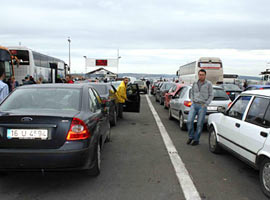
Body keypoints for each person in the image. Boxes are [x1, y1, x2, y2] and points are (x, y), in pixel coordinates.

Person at [186, 69, 213, 146]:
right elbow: (192, 92)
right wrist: (192, 100)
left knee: (199, 124)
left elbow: (211, 95)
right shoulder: (195, 83)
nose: (201, 76)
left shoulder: (208, 84)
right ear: (198, 75)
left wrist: (206, 104)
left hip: (202, 106)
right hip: (194, 105)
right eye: (200, 74)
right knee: (189, 121)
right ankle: (191, 136)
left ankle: (196, 139)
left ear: (205, 75)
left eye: (202, 75)